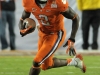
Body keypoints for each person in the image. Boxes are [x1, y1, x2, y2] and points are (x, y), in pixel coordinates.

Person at [19, 0, 86, 75]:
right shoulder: (29, 2)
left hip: (56, 34)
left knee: (37, 61)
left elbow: (75, 18)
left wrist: (72, 39)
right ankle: (75, 61)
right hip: (42, 33)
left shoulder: (58, 3)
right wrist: (22, 30)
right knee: (46, 65)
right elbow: (22, 19)